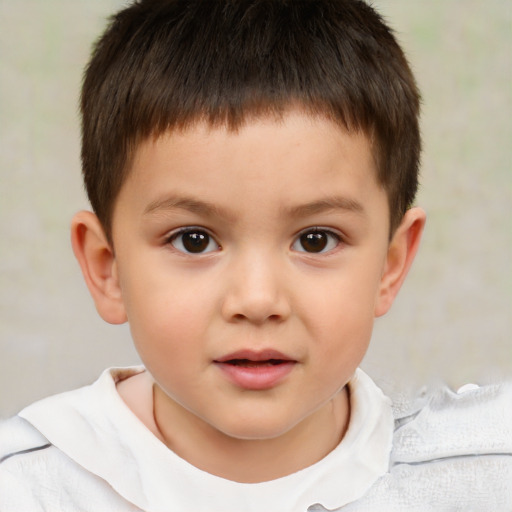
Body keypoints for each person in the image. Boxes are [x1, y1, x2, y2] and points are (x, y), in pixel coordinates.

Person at [0, 1, 510, 510]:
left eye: (315, 240)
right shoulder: (26, 489)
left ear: (391, 263)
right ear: (107, 269)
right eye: (194, 240)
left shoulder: (484, 475)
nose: (258, 299)